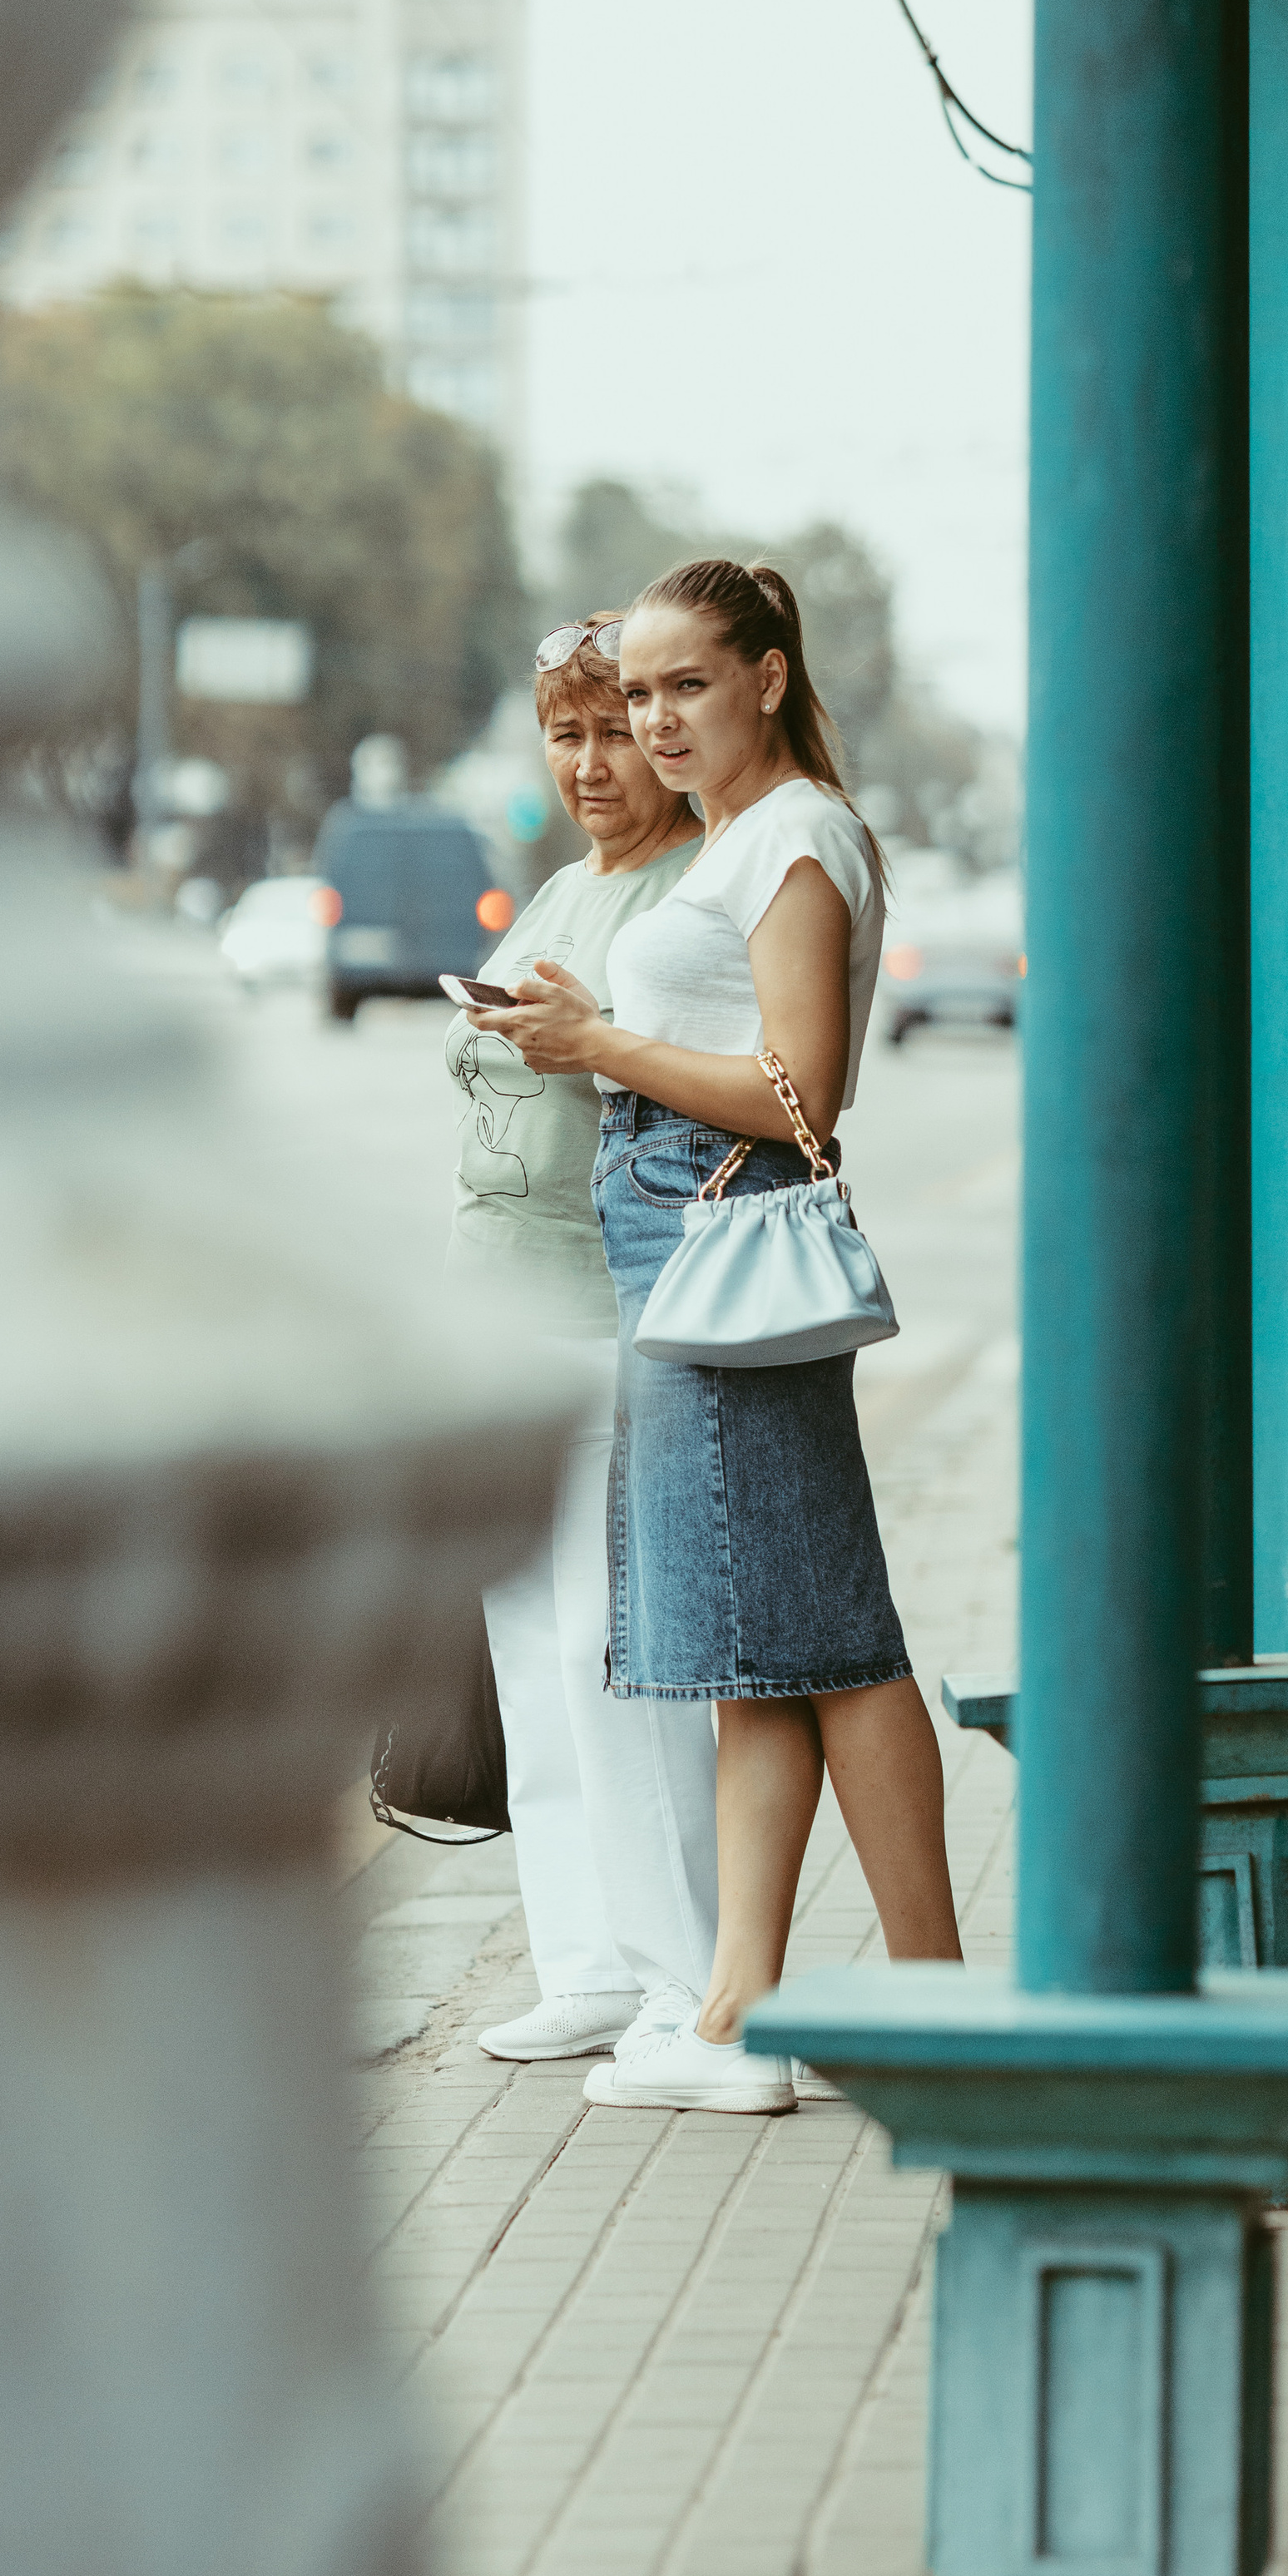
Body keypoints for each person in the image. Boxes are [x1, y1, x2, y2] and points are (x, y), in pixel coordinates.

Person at [465, 558, 962, 2114]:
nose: (658, 721)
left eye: (688, 687)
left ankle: (934, 2002)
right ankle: (742, 1999)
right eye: (640, 694)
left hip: (723, 1251)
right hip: (672, 1247)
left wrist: (599, 1041)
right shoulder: (742, 838)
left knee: (838, 1647)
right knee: (766, 1649)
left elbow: (807, 1099)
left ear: (766, 675)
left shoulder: (799, 833)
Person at [444, 616, 721, 2064]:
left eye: (618, 730)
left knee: (614, 1645)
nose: (595, 762)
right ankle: (587, 1966)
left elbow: (692, 1082)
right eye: (569, 735)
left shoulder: (685, 894)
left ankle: (679, 1970)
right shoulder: (560, 885)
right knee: (528, 1657)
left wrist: (588, 1037)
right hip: (499, 1302)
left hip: (615, 1301)